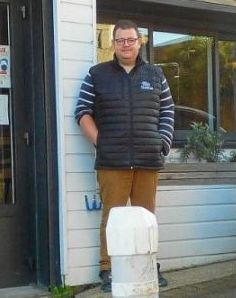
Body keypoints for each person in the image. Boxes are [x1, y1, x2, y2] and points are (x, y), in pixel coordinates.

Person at [75, 20, 175, 291]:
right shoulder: (97, 74)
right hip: (112, 161)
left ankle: (148, 267)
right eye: (120, 40)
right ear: (113, 44)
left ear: (139, 43)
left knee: (146, 218)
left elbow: (168, 110)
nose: (126, 45)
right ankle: (108, 270)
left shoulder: (156, 74)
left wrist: (162, 143)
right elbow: (82, 112)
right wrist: (102, 143)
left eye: (130, 40)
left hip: (147, 159)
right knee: (112, 218)